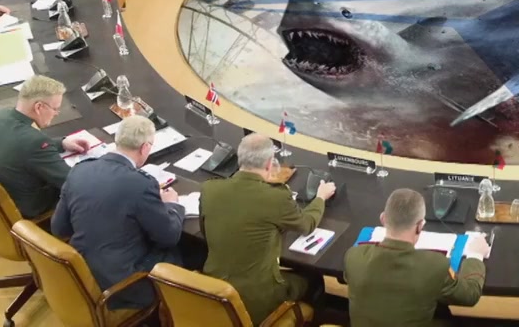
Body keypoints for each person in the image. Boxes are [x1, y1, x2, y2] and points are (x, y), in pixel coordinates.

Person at [52, 115, 186, 311]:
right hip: (123, 285)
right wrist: (172, 205)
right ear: (145, 148)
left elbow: (59, 228)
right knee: (186, 251)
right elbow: (169, 237)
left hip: (82, 273)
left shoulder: (79, 170)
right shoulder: (140, 184)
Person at [201, 133, 336, 322]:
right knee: (314, 279)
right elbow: (307, 224)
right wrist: (320, 197)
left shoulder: (209, 189)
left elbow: (205, 232)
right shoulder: (276, 197)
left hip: (212, 290)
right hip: (256, 300)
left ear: (239, 158)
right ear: (269, 164)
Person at [343, 188, 489, 326]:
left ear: (383, 219)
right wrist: (475, 255)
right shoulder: (434, 266)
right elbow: (469, 295)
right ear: (420, 226)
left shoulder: (354, 257)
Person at [0, 75, 92, 219]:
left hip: (8, 193)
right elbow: (71, 182)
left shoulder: (2, 116)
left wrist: (62, 143)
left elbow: (21, 148)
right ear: (39, 107)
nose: (56, 114)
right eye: (55, 109)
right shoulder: (35, 142)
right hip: (31, 206)